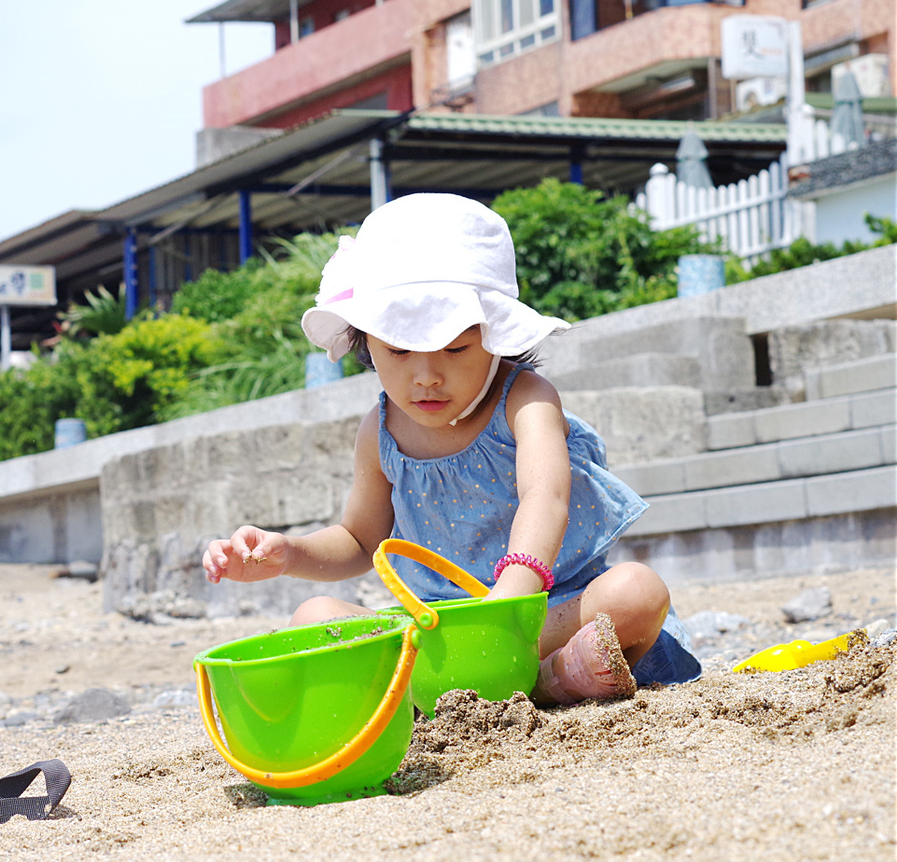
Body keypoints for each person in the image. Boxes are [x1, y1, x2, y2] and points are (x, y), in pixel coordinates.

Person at [202, 193, 701, 706]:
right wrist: (288, 553)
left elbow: (544, 495)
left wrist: (512, 595)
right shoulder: (379, 429)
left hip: (542, 612)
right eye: (398, 349)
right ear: (364, 340)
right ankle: (492, 683)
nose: (426, 377)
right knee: (313, 617)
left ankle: (548, 678)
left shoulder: (524, 399)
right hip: (439, 631)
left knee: (634, 591)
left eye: (456, 348)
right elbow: (357, 540)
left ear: (495, 334)